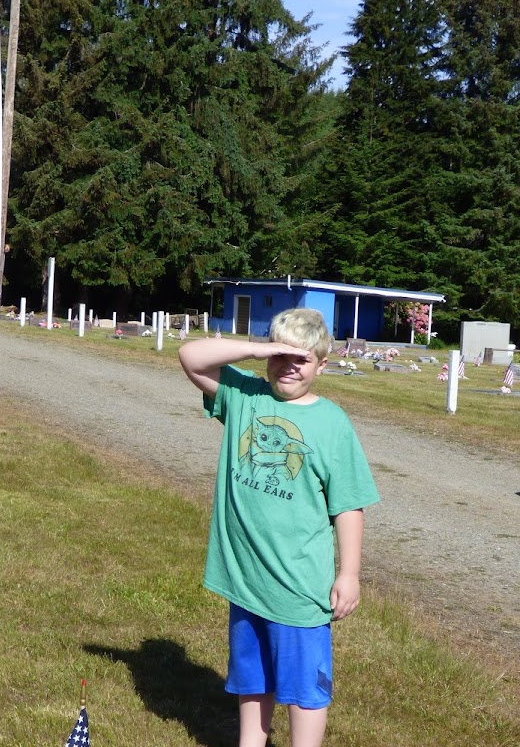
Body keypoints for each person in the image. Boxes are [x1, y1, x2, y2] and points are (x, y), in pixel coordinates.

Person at [178, 308, 379, 747]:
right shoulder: (244, 395)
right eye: (279, 357)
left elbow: (348, 506)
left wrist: (349, 574)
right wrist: (258, 348)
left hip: (299, 586)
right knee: (253, 678)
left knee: (305, 689)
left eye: (301, 360)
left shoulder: (332, 424)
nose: (288, 367)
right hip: (246, 581)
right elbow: (191, 356)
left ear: (322, 365)